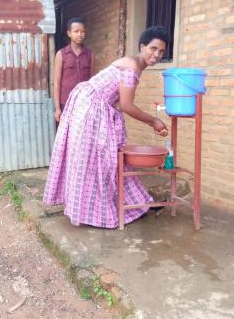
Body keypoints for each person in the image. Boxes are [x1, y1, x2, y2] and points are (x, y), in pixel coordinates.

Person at [43, 26, 170, 229]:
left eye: (161, 51)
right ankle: (92, 211)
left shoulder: (131, 63)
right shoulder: (132, 68)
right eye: (153, 48)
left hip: (90, 103)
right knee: (96, 161)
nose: (156, 55)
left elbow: (118, 99)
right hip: (91, 107)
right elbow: (127, 106)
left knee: (94, 160)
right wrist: (154, 121)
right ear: (142, 46)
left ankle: (103, 205)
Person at [53, 17, 95, 122]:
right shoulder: (61, 54)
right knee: (65, 136)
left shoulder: (90, 55)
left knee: (82, 136)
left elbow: (92, 82)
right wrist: (57, 108)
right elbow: (57, 83)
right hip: (65, 103)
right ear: (69, 33)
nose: (80, 34)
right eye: (76, 31)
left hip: (84, 103)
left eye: (82, 32)